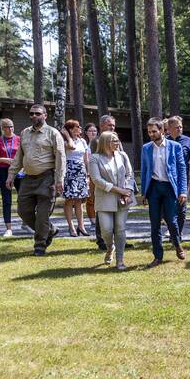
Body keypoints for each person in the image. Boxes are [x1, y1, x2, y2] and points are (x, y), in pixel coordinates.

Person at [8, 104, 66, 256]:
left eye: (37, 113)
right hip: (27, 179)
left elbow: (61, 157)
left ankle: (39, 245)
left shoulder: (53, 133)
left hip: (47, 178)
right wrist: (11, 174)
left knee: (42, 215)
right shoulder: (25, 133)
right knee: (23, 211)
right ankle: (51, 230)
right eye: (31, 114)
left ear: (45, 115)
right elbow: (19, 157)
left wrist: (59, 179)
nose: (33, 116)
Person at [141, 118, 188, 267]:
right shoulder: (146, 148)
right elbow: (144, 171)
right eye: (149, 132)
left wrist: (183, 191)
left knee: (171, 221)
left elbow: (182, 170)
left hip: (169, 188)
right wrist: (144, 192)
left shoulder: (175, 147)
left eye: (154, 131)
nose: (151, 134)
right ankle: (157, 256)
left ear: (162, 131)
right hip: (154, 187)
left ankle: (177, 244)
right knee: (154, 224)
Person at [88, 131, 135, 270]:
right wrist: (118, 190)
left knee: (120, 229)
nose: (117, 143)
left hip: (123, 198)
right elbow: (96, 180)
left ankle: (120, 260)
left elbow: (129, 174)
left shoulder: (122, 155)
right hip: (105, 199)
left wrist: (127, 191)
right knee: (106, 230)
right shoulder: (95, 158)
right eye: (114, 140)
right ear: (105, 142)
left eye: (117, 140)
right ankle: (110, 247)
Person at [166, 116, 190, 239]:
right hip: (167, 180)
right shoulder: (164, 141)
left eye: (181, 127)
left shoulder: (188, 141)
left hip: (182, 180)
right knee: (168, 208)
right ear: (169, 129)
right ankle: (172, 230)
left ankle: (177, 234)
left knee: (181, 208)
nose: (180, 129)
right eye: (177, 127)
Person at [89, 115, 117, 251]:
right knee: (102, 210)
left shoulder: (115, 138)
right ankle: (101, 240)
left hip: (116, 181)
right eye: (109, 125)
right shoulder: (96, 141)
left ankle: (117, 240)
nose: (112, 127)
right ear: (102, 126)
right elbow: (97, 161)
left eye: (113, 125)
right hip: (102, 181)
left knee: (117, 211)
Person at [60, 120, 91, 237]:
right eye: (77, 126)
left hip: (80, 171)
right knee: (69, 199)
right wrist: (67, 135)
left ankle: (81, 226)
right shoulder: (65, 142)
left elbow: (86, 159)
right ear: (71, 129)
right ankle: (71, 227)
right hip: (69, 171)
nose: (80, 128)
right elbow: (72, 147)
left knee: (79, 199)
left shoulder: (82, 141)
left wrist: (87, 174)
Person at [0, 118, 20, 237]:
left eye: (12, 126)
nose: (10, 129)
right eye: (7, 126)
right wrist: (4, 159)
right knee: (6, 200)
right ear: (2, 128)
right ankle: (8, 228)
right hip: (4, 171)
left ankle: (26, 223)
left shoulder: (19, 139)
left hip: (19, 171)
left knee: (23, 198)